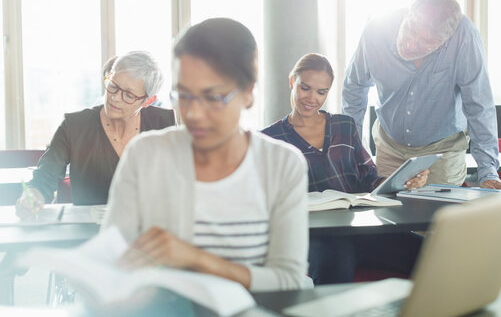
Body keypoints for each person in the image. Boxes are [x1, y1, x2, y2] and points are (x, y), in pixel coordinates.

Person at [101, 18, 309, 292]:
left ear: (248, 93)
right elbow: (108, 260)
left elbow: (289, 280)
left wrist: (196, 259)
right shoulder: (145, 155)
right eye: (183, 96)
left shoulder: (282, 164)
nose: (194, 114)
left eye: (213, 98)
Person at [262, 53, 428, 284]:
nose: (312, 98)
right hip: (318, 236)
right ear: (292, 81)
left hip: (363, 228)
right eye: (305, 88)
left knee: (433, 255)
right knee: (335, 272)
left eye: (322, 92)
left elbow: (368, 177)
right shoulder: (270, 140)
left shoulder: (344, 125)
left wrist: (400, 180)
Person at [342, 0, 501, 190]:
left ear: (444, 41)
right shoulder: (376, 30)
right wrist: (352, 151)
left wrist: (487, 172)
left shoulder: (465, 37)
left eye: (426, 43)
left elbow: (479, 106)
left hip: (442, 151)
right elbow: (354, 88)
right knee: (387, 213)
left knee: (439, 217)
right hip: (390, 146)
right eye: (411, 30)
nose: (411, 44)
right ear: (408, 14)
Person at [16, 51, 176, 217]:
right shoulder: (74, 126)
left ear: (148, 100)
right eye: (113, 86)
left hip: (149, 231)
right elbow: (45, 177)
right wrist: (34, 195)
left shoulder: (163, 125)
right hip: (87, 232)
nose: (114, 98)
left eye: (128, 95)